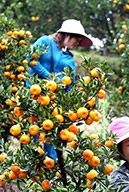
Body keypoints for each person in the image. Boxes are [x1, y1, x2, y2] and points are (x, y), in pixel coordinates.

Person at [26, 19, 93, 159]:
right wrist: (48, 77)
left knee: (51, 135)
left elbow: (70, 85)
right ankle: (30, 165)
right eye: (77, 39)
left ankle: (52, 169)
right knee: (32, 132)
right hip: (34, 96)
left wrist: (71, 104)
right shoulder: (45, 42)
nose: (77, 43)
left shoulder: (69, 59)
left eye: (80, 41)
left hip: (53, 102)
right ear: (67, 35)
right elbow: (31, 59)